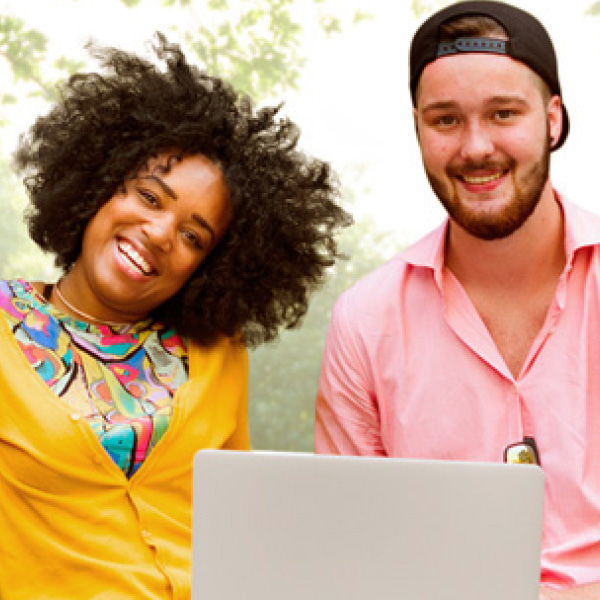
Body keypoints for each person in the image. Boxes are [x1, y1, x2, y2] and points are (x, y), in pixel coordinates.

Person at [0, 34, 350, 599]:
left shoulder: (218, 353)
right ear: (97, 184)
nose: (160, 234)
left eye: (193, 235)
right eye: (149, 196)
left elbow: (243, 526)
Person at [315, 1, 600, 598]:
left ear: (552, 119)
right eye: (446, 120)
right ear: (418, 126)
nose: (476, 148)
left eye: (503, 114)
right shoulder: (366, 322)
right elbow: (351, 548)